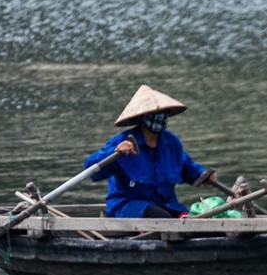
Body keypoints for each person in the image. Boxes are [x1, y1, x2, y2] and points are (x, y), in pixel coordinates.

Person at [83, 86, 215, 218]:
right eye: (154, 114)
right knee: (160, 216)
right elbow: (91, 169)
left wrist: (203, 175)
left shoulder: (171, 143)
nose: (160, 118)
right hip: (128, 206)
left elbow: (187, 168)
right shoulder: (123, 142)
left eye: (164, 113)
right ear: (142, 117)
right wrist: (114, 152)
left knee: (193, 218)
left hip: (165, 205)